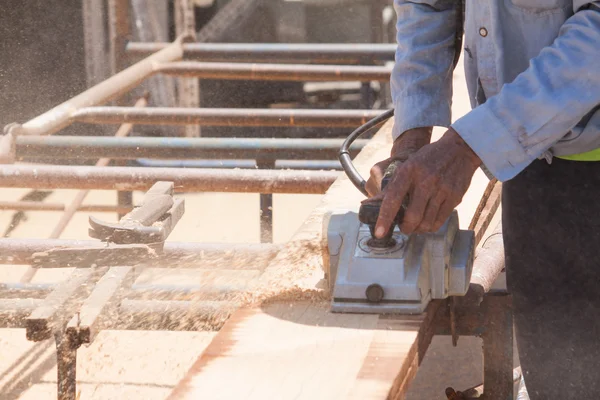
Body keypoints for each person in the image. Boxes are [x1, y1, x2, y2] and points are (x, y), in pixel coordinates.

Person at [365, 0, 600, 397]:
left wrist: (468, 146)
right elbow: (427, 6)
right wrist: (411, 141)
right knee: (561, 378)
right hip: (532, 162)